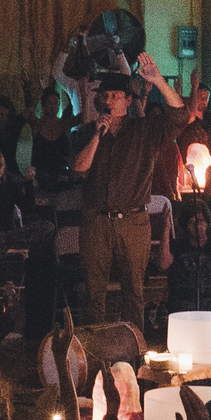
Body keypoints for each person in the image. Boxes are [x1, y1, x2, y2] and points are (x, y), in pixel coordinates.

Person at [70, 57, 182, 327]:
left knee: (134, 293)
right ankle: (94, 356)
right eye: (105, 96)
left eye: (116, 96)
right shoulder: (86, 131)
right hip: (96, 222)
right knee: (94, 295)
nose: (109, 101)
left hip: (133, 222)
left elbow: (180, 116)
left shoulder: (144, 131)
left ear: (128, 100)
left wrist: (158, 82)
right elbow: (78, 169)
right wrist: (98, 134)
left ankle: (133, 356)